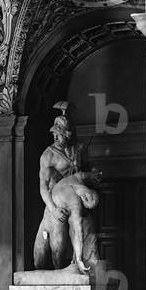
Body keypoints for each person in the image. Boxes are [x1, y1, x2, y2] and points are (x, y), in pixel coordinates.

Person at [33, 102, 100, 274]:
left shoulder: (79, 149)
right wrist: (53, 209)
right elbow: (43, 187)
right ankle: (58, 275)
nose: (56, 137)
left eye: (60, 134)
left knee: (87, 234)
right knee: (58, 243)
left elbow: (87, 170)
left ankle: (85, 269)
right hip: (57, 202)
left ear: (68, 134)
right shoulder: (48, 155)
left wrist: (93, 174)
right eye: (55, 134)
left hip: (76, 197)